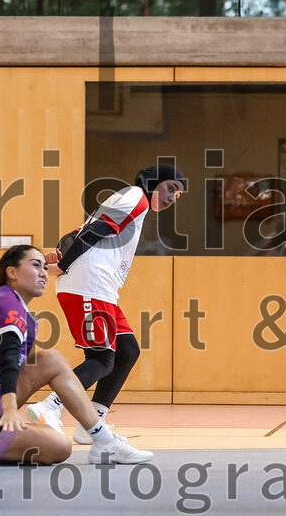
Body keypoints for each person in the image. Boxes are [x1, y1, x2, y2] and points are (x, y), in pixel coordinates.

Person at [0, 245, 155, 464]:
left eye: (45, 267)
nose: (43, 273)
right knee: (60, 447)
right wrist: (9, 410)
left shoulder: (20, 312)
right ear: (12, 272)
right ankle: (91, 435)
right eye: (35, 265)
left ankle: (100, 438)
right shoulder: (7, 301)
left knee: (50, 360)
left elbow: (19, 368)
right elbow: (8, 359)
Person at [27, 164, 187, 445]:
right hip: (90, 283)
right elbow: (97, 229)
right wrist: (62, 265)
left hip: (102, 287)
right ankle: (48, 407)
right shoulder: (136, 196)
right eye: (171, 188)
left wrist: (60, 253)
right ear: (153, 182)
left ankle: (92, 422)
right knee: (101, 358)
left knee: (127, 351)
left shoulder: (130, 199)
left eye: (178, 195)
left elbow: (77, 231)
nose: (173, 197)